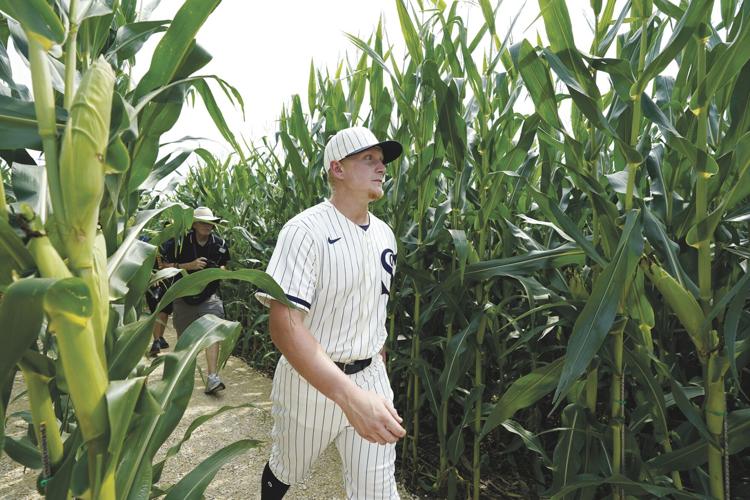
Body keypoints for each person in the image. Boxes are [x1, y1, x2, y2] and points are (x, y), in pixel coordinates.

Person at [255, 126, 407, 499]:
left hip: (370, 378)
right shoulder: (304, 230)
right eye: (368, 158)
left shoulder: (385, 234)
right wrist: (348, 397)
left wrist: (376, 365)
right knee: (286, 467)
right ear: (337, 169)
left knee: (378, 492)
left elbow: (373, 306)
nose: (381, 166)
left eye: (382, 160)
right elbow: (285, 326)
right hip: (310, 383)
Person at [161, 206, 230, 394]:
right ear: (194, 224)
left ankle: (212, 378)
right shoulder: (179, 242)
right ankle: (182, 378)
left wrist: (218, 271)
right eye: (203, 222)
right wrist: (189, 266)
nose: (208, 226)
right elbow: (164, 265)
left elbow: (224, 265)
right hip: (183, 297)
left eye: (211, 223)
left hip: (209, 297)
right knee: (185, 340)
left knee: (212, 333)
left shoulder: (220, 243)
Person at [146, 250, 173, 357]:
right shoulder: (145, 237)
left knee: (165, 309)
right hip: (153, 278)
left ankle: (159, 338)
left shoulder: (172, 241)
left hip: (169, 277)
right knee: (157, 309)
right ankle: (157, 340)